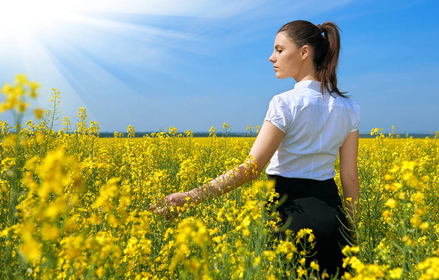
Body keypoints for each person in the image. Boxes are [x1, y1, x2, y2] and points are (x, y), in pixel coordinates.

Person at [149, 20, 360, 277]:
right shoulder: (349, 108)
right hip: (332, 218)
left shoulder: (284, 104)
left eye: (279, 50)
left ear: (304, 52)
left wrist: (191, 197)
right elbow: (349, 176)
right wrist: (351, 228)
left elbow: (251, 169)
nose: (272, 57)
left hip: (288, 217)